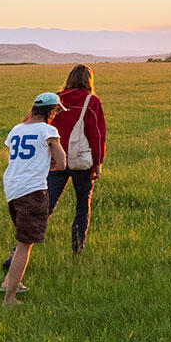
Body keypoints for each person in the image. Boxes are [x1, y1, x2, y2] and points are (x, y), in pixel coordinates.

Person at [0, 92, 65, 306]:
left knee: (22, 240)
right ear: (50, 112)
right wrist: (49, 164)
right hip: (32, 191)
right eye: (56, 112)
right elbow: (62, 162)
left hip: (13, 189)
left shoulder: (17, 129)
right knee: (25, 244)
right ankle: (9, 298)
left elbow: (17, 159)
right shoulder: (48, 130)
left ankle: (13, 282)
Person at [50, 65, 108, 255]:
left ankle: (20, 248)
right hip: (81, 162)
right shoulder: (92, 102)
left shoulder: (56, 99)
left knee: (45, 206)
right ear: (89, 81)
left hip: (55, 160)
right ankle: (77, 250)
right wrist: (98, 163)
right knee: (82, 205)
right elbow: (97, 135)